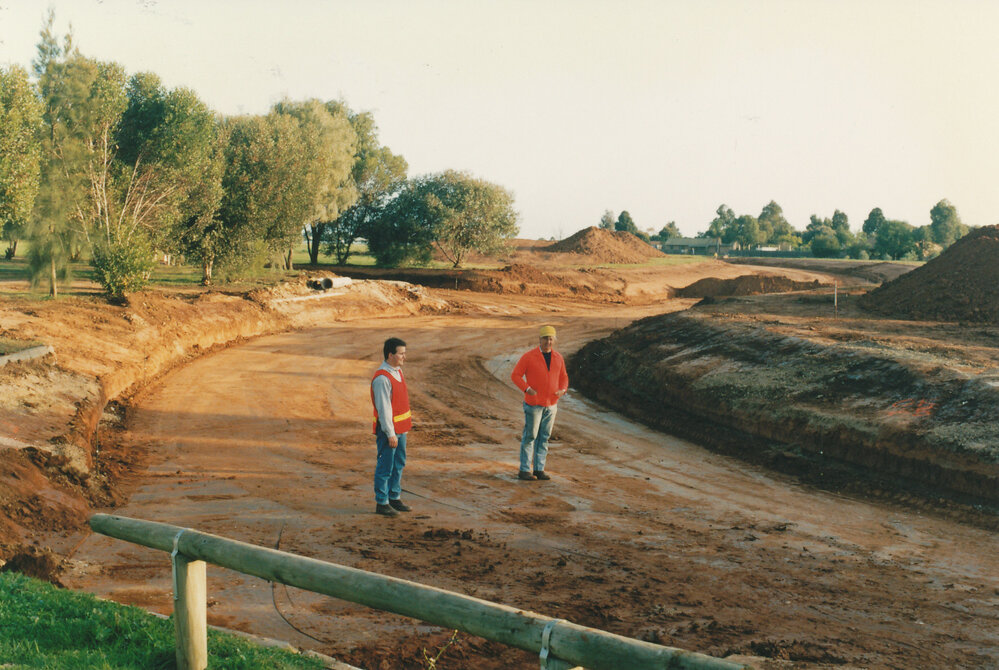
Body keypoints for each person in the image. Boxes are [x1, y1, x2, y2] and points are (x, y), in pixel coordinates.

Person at [510, 325, 568, 481]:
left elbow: (564, 377)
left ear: (554, 340)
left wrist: (563, 390)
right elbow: (515, 375)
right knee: (530, 436)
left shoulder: (558, 358)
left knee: (544, 437)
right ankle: (524, 470)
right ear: (539, 340)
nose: (548, 342)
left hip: (551, 404)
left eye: (551, 339)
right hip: (534, 404)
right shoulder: (529, 356)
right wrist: (527, 388)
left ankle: (539, 469)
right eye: (545, 339)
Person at [370, 337, 412, 516]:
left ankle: (394, 497)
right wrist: (390, 433)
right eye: (401, 354)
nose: (404, 357)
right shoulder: (382, 379)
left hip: (401, 430)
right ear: (390, 355)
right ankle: (382, 502)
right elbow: (384, 409)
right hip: (390, 432)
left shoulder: (398, 371)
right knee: (385, 466)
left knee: (398, 463)